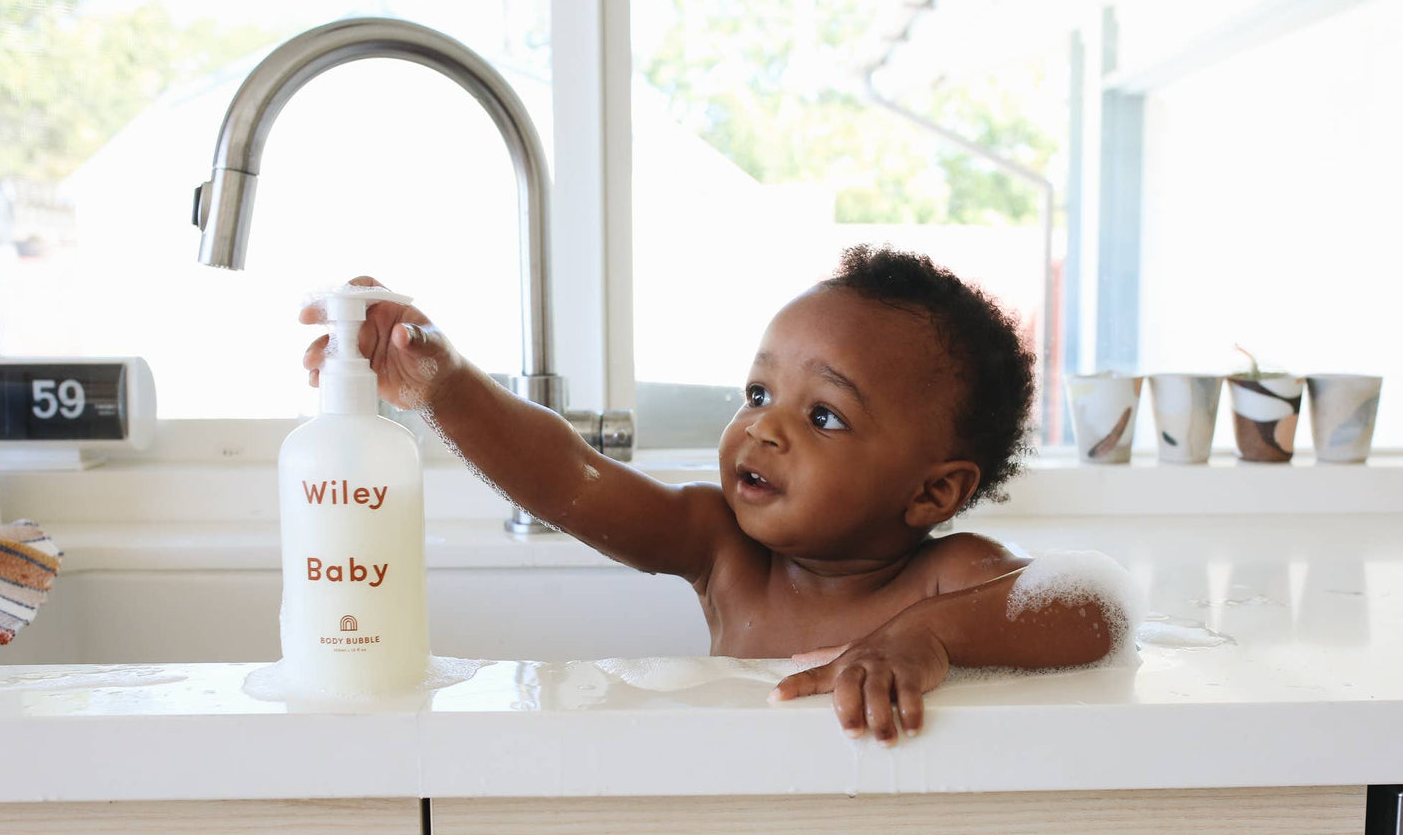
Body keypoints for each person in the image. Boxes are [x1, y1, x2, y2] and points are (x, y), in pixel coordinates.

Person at [302, 245, 1119, 744]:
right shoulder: (723, 550)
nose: (764, 430)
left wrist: (926, 638)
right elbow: (567, 481)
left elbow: (1095, 605)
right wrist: (446, 386)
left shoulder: (946, 579)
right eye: (758, 393)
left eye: (824, 414)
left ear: (932, 491)